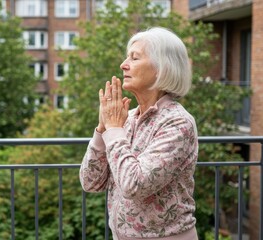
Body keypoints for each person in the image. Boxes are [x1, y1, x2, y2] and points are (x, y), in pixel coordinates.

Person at [79, 27, 199, 240]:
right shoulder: (127, 118)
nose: (123, 64)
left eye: (134, 58)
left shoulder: (178, 122)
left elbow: (135, 185)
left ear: (162, 68)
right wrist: (102, 129)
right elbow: (91, 182)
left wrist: (114, 129)